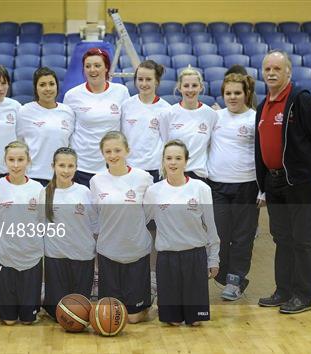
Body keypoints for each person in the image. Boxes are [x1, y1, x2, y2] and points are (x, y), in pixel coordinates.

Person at [255, 50, 311, 314]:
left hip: (297, 182)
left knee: (301, 240)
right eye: (267, 69)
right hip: (274, 182)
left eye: (277, 68)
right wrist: (263, 182)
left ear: (288, 72)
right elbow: (260, 146)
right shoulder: (263, 105)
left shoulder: (301, 100)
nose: (272, 73)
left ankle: (303, 295)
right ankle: (283, 290)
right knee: (282, 239)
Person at [144, 139, 219, 326]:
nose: (173, 162)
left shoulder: (201, 188)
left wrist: (214, 258)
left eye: (178, 158)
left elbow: (211, 227)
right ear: (162, 161)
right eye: (168, 158)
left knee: (195, 321)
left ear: (186, 161)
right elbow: (140, 223)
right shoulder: (154, 191)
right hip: (167, 259)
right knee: (173, 322)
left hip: (195, 257)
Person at [89, 131, 153, 323]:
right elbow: (95, 216)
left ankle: (145, 302)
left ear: (127, 150)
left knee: (132, 319)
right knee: (111, 317)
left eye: (117, 150)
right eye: (107, 151)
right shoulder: (96, 181)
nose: (113, 155)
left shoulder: (143, 178)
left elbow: (149, 213)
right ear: (102, 154)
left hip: (136, 250)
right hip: (108, 252)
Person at [206, 73, 260, 300]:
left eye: (237, 92)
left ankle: (235, 280)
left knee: (242, 237)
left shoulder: (255, 118)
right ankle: (224, 275)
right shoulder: (215, 116)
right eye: (228, 93)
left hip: (247, 186)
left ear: (246, 93)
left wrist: (263, 189)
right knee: (220, 234)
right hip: (217, 186)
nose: (233, 97)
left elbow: (263, 154)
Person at [0, 141, 44, 325]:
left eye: (21, 159)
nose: (16, 164)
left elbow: (44, 223)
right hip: (4, 258)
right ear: (5, 161)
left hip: (32, 258)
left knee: (28, 320)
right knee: (9, 320)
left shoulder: (38, 189)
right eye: (11, 159)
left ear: (28, 161)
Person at [38, 147, 97, 318]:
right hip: (55, 258)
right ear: (53, 166)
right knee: (58, 315)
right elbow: (40, 226)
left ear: (76, 167)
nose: (65, 170)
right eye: (61, 165)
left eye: (70, 166)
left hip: (82, 257)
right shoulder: (45, 193)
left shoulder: (84, 192)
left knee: (80, 314)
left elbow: (94, 224)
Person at [63, 48, 130, 186]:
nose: (92, 70)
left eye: (97, 65)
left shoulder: (121, 91)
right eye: (88, 66)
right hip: (82, 167)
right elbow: (66, 132)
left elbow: (126, 128)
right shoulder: (72, 95)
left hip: (112, 164)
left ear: (106, 68)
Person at [16, 67, 75, 186]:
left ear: (57, 86)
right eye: (42, 84)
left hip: (61, 177)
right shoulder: (24, 111)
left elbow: (70, 144)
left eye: (51, 84)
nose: (48, 88)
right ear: (36, 88)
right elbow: (19, 142)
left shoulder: (68, 112)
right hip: (33, 177)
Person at [159, 67, 217, 181]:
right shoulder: (168, 114)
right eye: (186, 86)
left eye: (194, 85)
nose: (190, 90)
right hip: (173, 173)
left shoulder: (211, 114)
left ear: (201, 87)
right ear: (179, 88)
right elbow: (165, 143)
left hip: (198, 175)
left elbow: (211, 146)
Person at [121, 60, 171, 182]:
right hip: (129, 167)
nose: (143, 83)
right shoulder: (126, 105)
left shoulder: (166, 109)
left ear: (157, 82)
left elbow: (167, 141)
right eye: (140, 79)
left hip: (154, 169)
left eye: (148, 79)